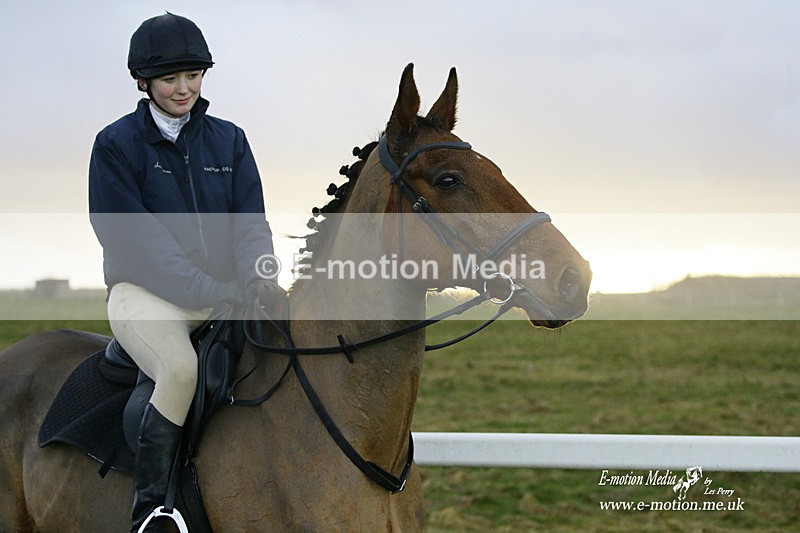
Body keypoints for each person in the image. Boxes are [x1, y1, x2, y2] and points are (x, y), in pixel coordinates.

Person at [88, 12, 284, 532]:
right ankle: (152, 510)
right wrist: (209, 290)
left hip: (224, 293)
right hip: (145, 295)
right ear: (143, 81)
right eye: (170, 78)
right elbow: (134, 240)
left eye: (193, 75)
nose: (184, 89)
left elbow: (250, 223)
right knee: (179, 371)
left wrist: (259, 277)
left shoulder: (230, 140)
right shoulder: (114, 145)